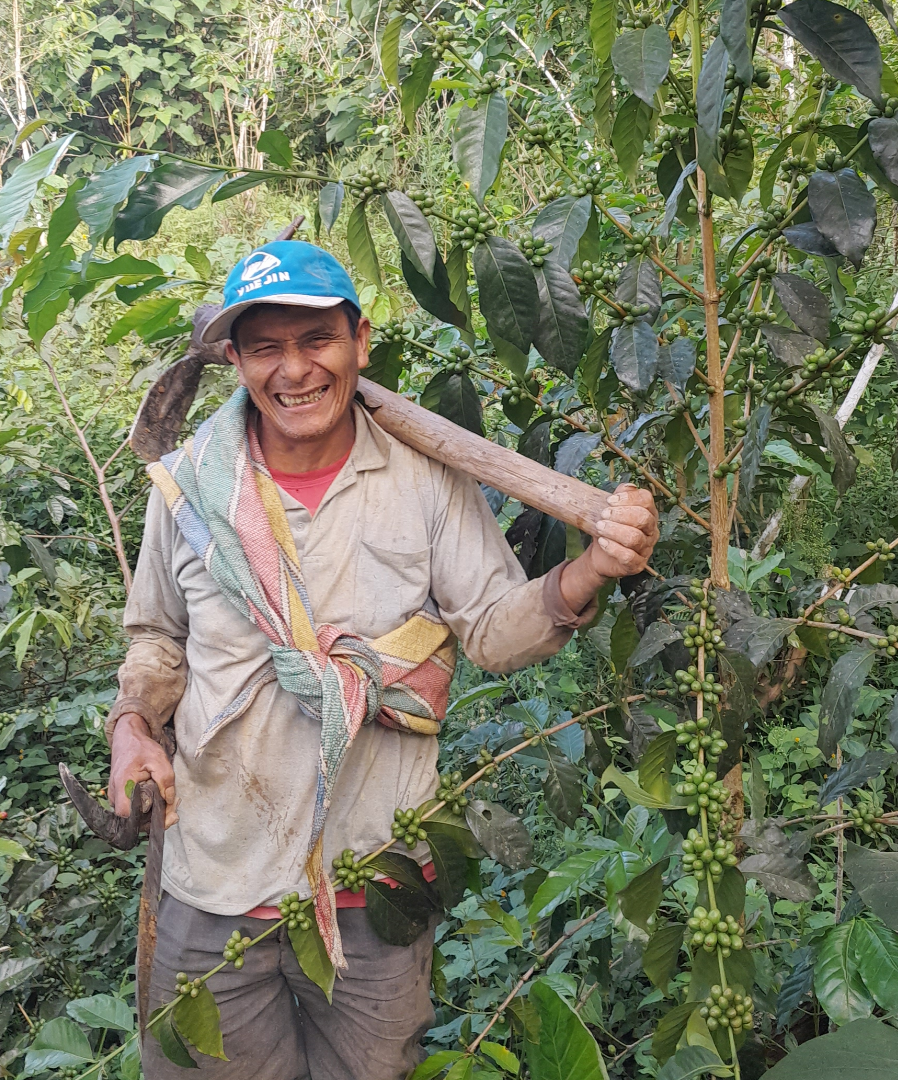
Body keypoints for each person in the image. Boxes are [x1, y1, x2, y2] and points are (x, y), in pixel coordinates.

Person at [106, 240, 659, 1080]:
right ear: (234, 360)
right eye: (266, 347)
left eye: (316, 340)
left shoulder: (428, 482)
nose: (294, 370)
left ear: (360, 342)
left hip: (376, 873)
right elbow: (156, 638)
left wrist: (588, 570)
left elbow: (491, 630)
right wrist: (133, 724)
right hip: (216, 872)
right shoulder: (188, 490)